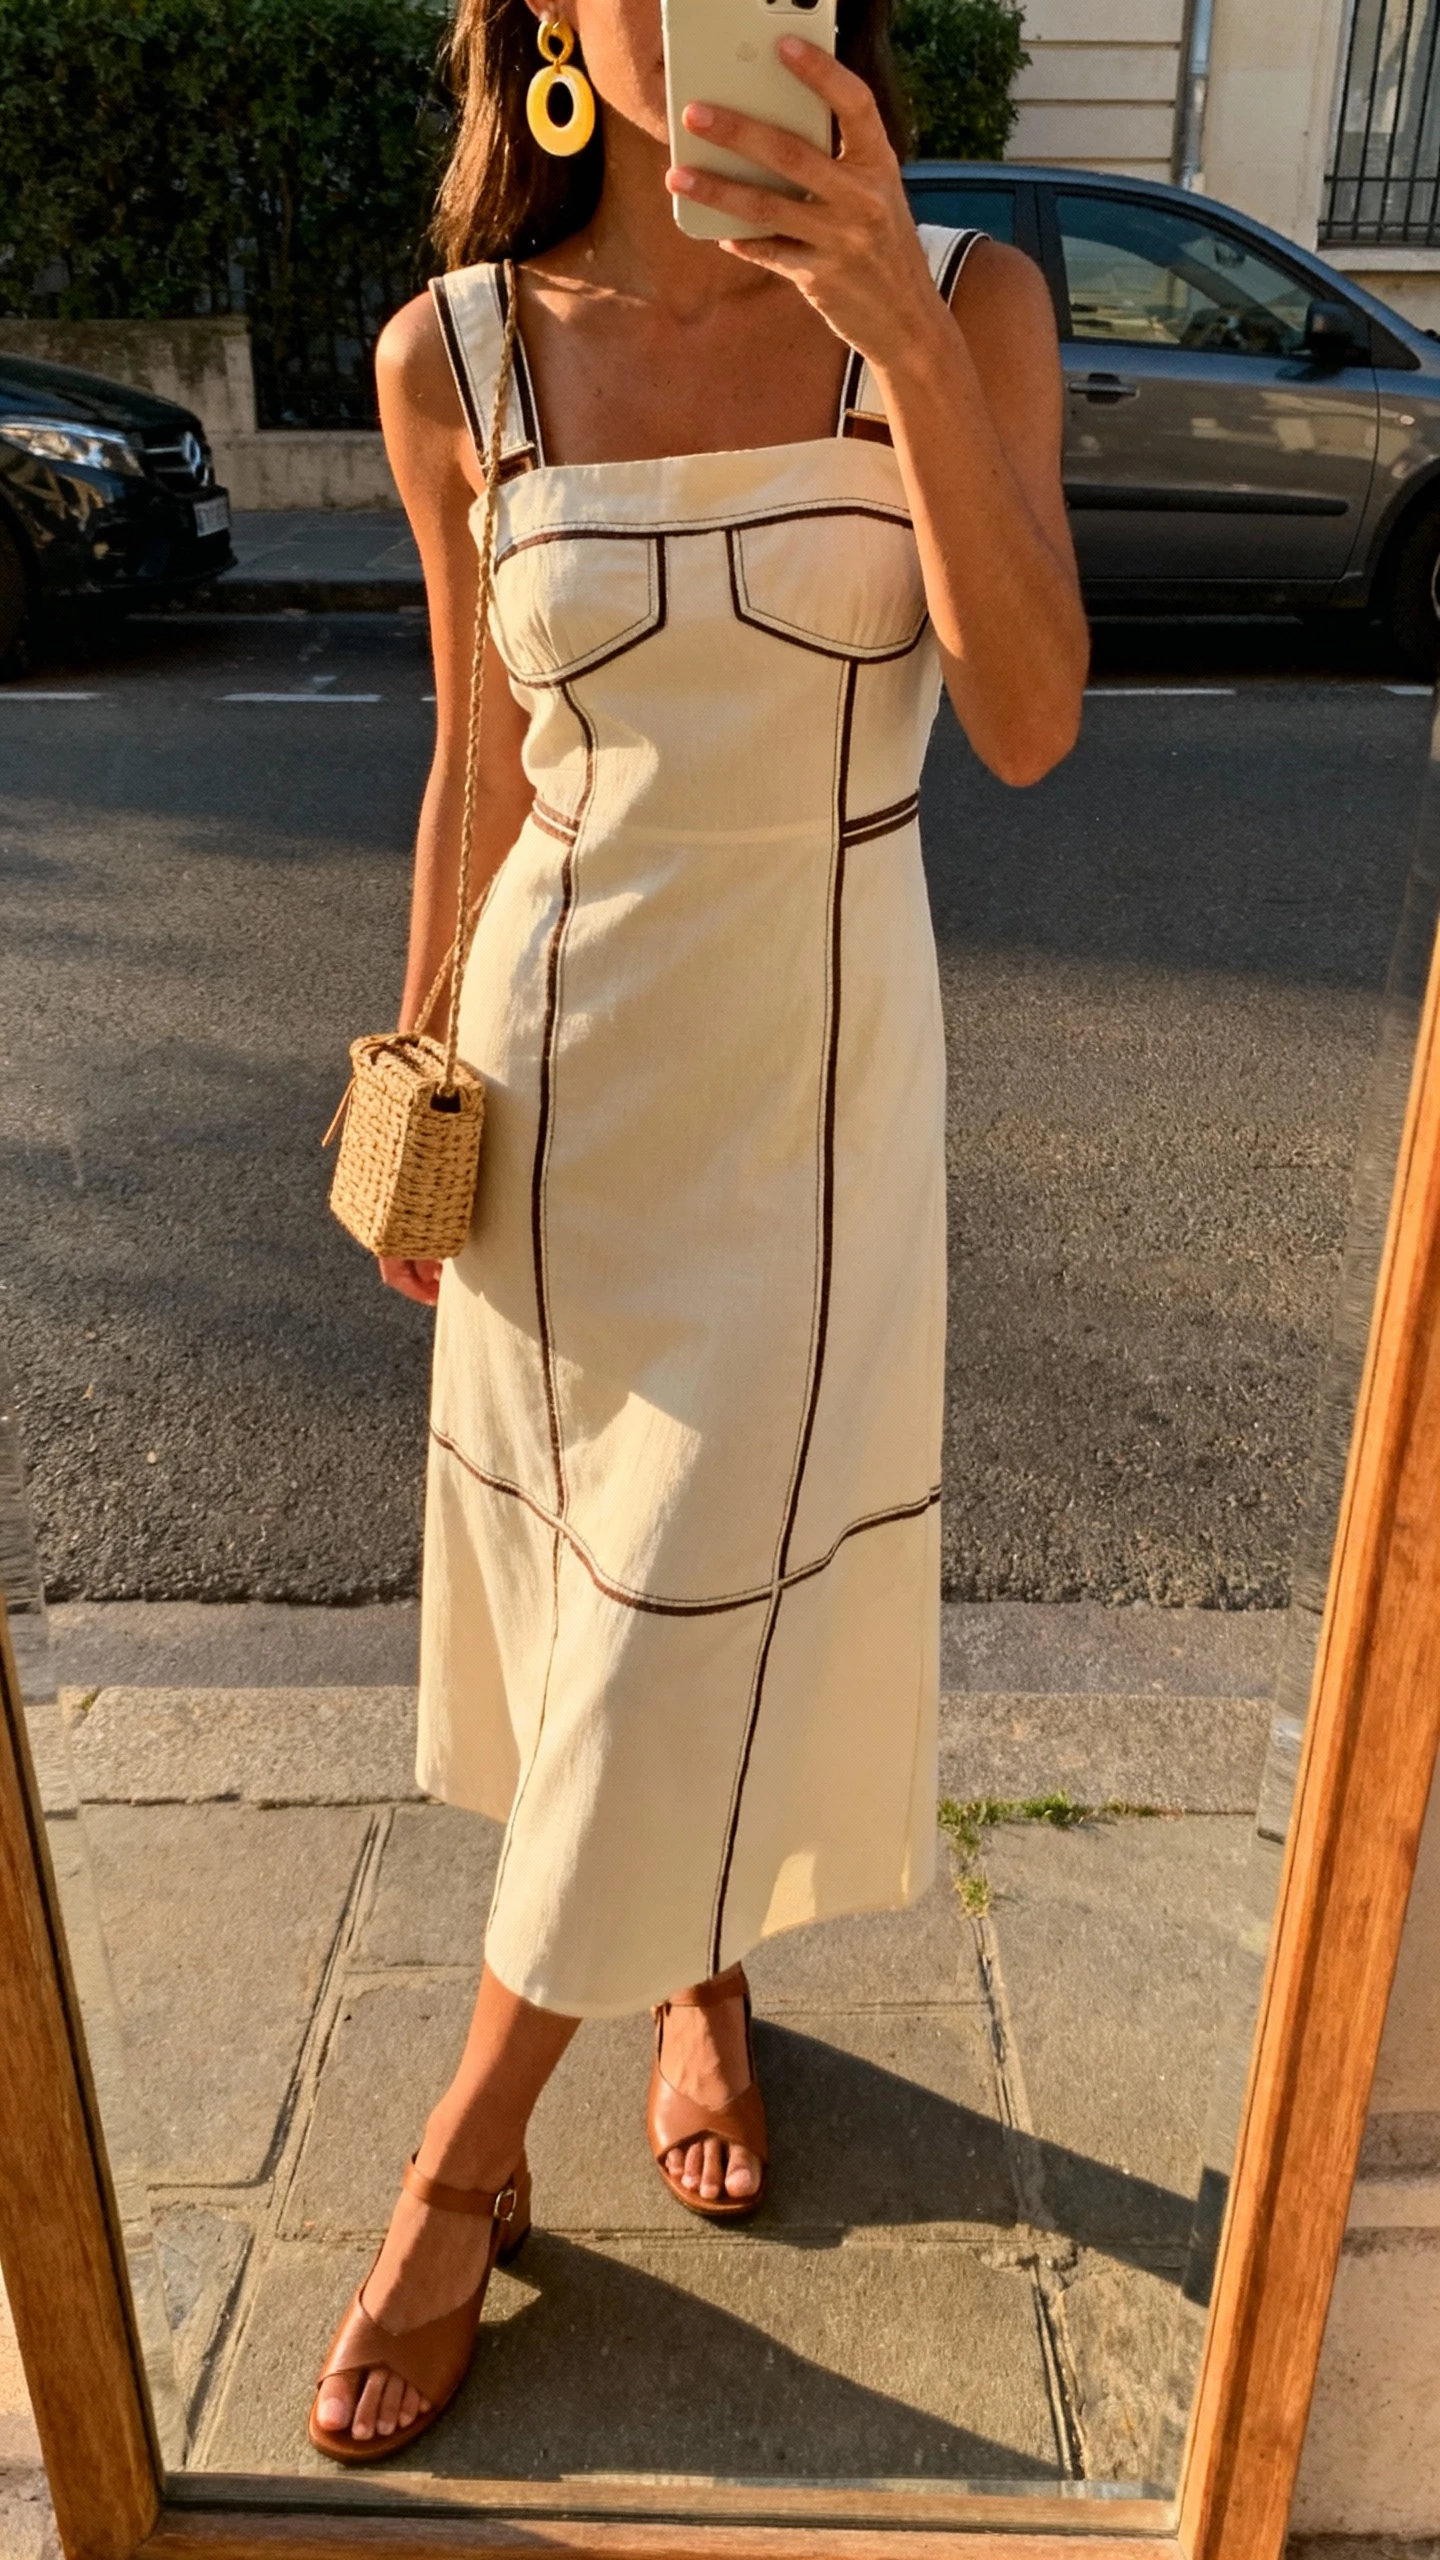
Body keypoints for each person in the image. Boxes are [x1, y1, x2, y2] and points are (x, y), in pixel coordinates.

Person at [309, 0, 1087, 2465]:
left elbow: (1039, 711)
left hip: (822, 1086)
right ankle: (699, 1969)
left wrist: (882, 324)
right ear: (548, 14)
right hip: (554, 1076)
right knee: (607, 1594)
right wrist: (415, 1066)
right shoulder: (453, 357)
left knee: (683, 1583)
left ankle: (459, 2153)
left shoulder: (961, 299)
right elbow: (474, 745)